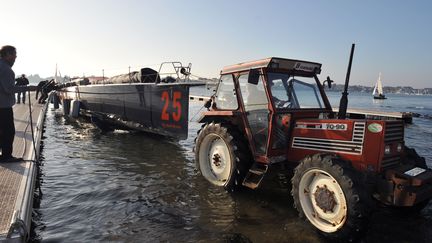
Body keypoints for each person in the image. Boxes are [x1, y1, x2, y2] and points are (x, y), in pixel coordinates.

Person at [0, 45, 37, 162]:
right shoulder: (6, 69)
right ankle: (6, 156)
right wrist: (29, 88)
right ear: (6, 55)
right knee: (8, 131)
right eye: (13, 54)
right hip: (3, 106)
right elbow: (9, 89)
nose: (15, 57)